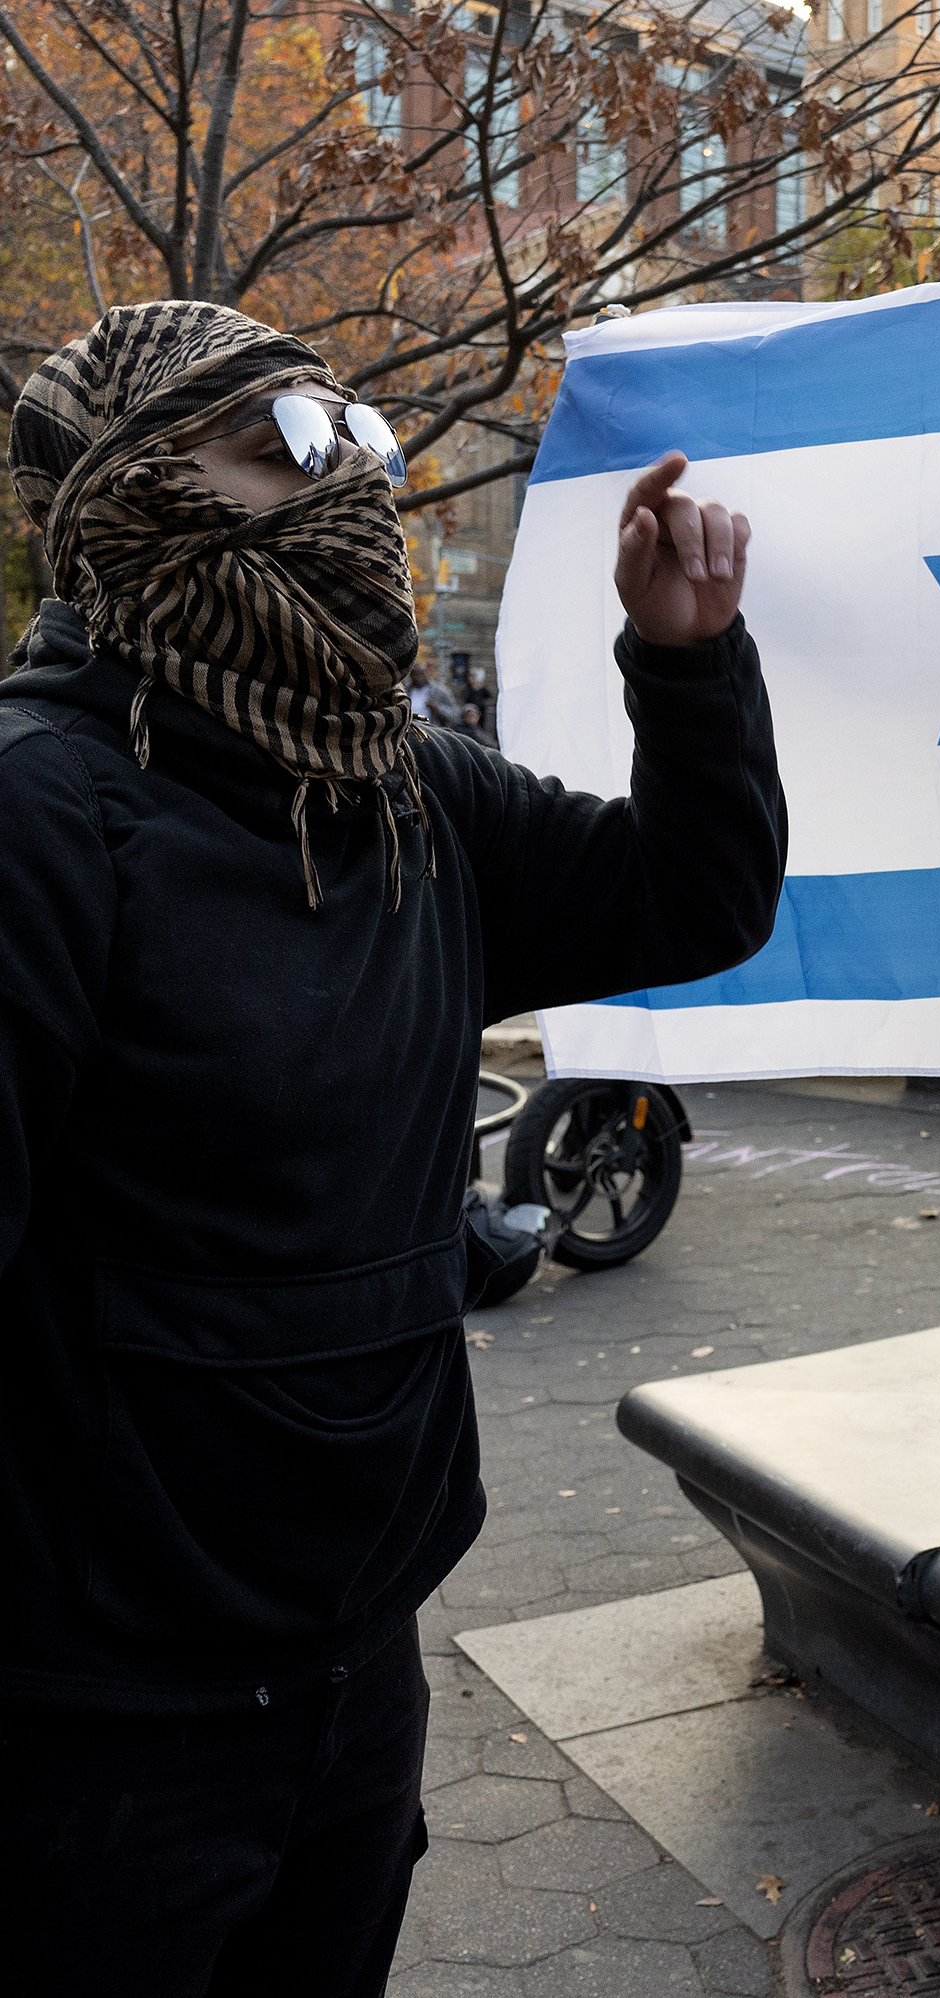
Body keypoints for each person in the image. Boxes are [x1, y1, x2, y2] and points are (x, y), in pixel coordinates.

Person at [0, 300, 786, 1996]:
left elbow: (693, 897)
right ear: (145, 499)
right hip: (94, 1725)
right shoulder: (41, 813)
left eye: (356, 432)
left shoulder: (413, 795)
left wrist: (687, 659)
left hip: (359, 1668)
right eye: (289, 445)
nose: (361, 475)